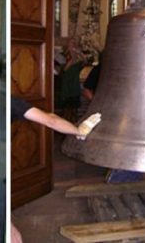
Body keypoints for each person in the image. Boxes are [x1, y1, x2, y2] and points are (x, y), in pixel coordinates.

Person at [10, 98, 101, 243]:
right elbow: (50, 119)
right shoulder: (12, 101)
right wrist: (78, 131)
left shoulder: (12, 101)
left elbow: (51, 118)